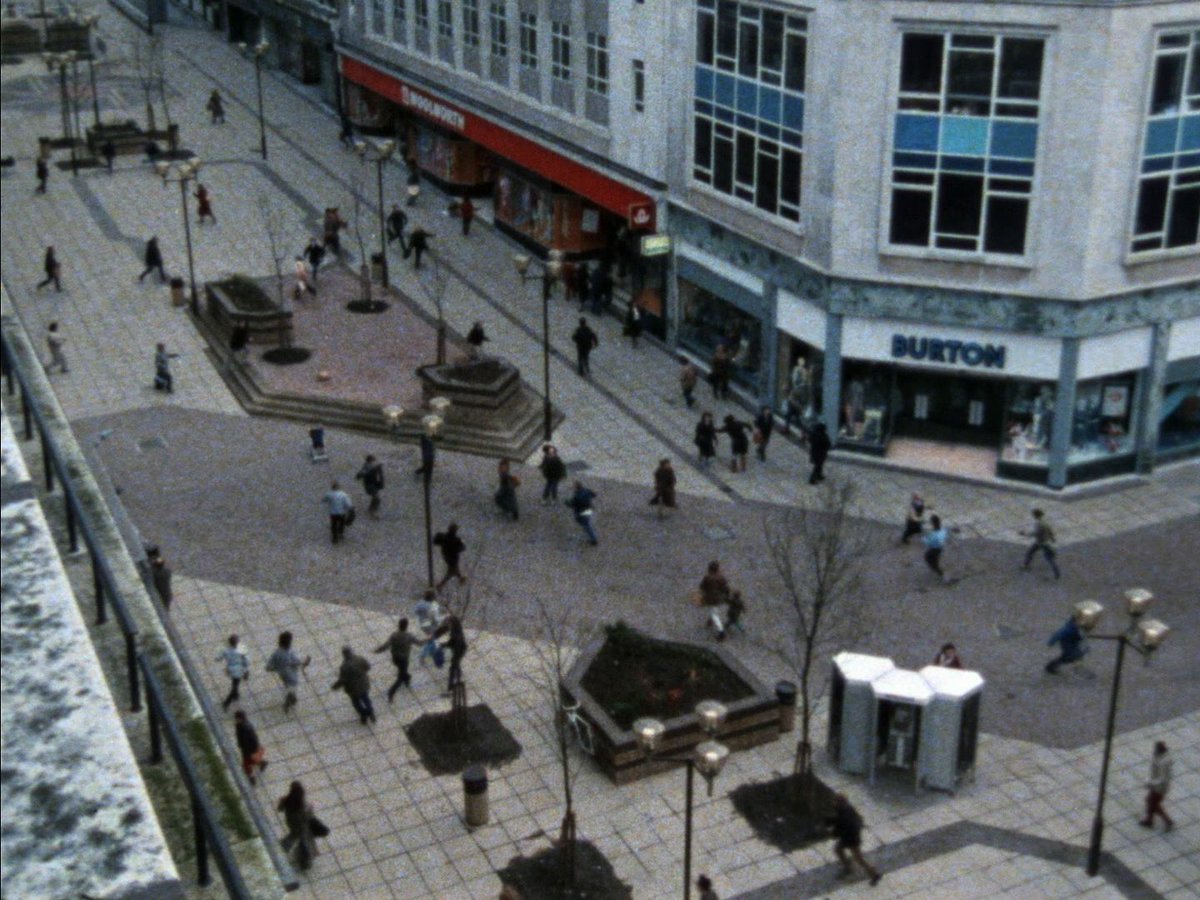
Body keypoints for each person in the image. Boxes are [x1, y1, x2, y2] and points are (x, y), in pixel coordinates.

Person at [826, 793, 882, 886]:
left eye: (835, 802)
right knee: (838, 850)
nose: (833, 803)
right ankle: (847, 866)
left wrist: (830, 832)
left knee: (859, 858)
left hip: (851, 839)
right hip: (851, 837)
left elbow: (838, 828)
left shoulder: (843, 816)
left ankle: (874, 874)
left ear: (839, 803)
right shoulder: (848, 809)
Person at [375, 618, 420, 702]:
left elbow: (385, 646)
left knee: (403, 671)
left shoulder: (394, 635)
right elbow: (420, 643)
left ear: (399, 625)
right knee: (400, 678)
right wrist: (429, 638)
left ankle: (407, 679)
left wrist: (377, 650)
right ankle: (391, 692)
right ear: (407, 626)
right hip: (404, 659)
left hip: (395, 658)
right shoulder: (409, 636)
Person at [265, 631, 310, 713]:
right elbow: (296, 661)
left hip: (283, 674)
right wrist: (304, 662)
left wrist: (277, 668)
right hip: (292, 676)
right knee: (292, 688)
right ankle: (288, 702)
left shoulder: (276, 653)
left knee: (288, 686)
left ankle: (292, 698)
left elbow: (268, 667)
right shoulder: (290, 652)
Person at [278, 781, 318, 871]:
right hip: (301, 825)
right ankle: (305, 861)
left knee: (293, 835)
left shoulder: (285, 800)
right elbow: (308, 816)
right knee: (304, 841)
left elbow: (279, 809)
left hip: (290, 822)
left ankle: (282, 847)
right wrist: (310, 808)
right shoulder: (303, 807)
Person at [331, 646, 375, 725]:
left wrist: (335, 686)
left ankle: (364, 714)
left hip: (353, 689)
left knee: (356, 704)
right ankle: (370, 712)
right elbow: (368, 667)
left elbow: (343, 680)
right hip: (363, 684)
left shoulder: (344, 667)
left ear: (344, 655)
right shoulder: (360, 659)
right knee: (366, 699)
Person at [1140, 741, 1174, 831]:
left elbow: (1163, 778)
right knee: (1151, 802)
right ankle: (1149, 820)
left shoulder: (1165, 762)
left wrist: (1151, 783)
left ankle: (1167, 821)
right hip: (1155, 784)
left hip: (1160, 787)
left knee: (1153, 803)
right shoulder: (1157, 756)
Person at [1021, 508, 1061, 579]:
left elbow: (1036, 533)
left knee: (1049, 558)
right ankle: (1026, 565)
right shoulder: (1045, 523)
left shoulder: (1038, 524)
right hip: (1043, 542)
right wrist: (1052, 539)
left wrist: (1025, 534)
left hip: (1041, 543)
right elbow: (1050, 531)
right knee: (1030, 552)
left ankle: (1057, 573)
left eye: (1034, 515)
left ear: (1035, 515)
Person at [435, 613, 468, 690]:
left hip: (458, 650)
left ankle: (451, 685)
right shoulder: (456, 630)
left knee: (453, 667)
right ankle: (458, 677)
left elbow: (451, 643)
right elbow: (451, 642)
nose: (448, 625)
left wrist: (442, 645)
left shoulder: (455, 634)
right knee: (456, 665)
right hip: (459, 649)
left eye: (449, 623)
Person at [234, 711, 267, 783]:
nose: (235, 720)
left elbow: (252, 740)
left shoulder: (245, 728)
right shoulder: (240, 725)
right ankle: (262, 763)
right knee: (251, 761)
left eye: (236, 718)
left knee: (246, 764)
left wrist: (252, 750)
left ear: (240, 719)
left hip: (248, 749)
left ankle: (251, 778)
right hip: (246, 748)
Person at [218, 634, 250, 709]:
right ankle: (227, 702)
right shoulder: (241, 649)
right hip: (238, 670)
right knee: (235, 684)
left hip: (231, 669)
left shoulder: (226, 650)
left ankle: (236, 694)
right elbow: (246, 661)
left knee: (235, 683)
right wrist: (246, 671)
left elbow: (218, 658)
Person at [433, 523, 467, 591]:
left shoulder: (444, 537)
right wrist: (458, 549)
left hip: (446, 557)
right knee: (452, 571)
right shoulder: (456, 539)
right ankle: (440, 585)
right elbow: (463, 547)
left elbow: (436, 542)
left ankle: (460, 578)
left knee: (453, 570)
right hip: (454, 558)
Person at [414, 589, 444, 665]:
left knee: (432, 639)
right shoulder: (434, 605)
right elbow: (435, 618)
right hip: (430, 625)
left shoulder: (420, 603)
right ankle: (422, 656)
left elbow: (416, 612)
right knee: (431, 640)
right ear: (433, 597)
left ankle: (431, 652)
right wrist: (441, 621)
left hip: (421, 624)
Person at [566, 481, 599, 546]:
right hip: (589, 509)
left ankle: (594, 539)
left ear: (576, 488)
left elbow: (572, 504)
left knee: (584, 524)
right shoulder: (587, 490)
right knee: (585, 521)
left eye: (574, 487)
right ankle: (587, 529)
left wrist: (566, 502)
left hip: (581, 512)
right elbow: (594, 495)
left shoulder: (577, 496)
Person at [923, 514, 949, 583]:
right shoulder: (942, 531)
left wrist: (925, 538)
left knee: (928, 558)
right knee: (935, 559)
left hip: (933, 549)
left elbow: (927, 542)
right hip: (939, 549)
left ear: (933, 523)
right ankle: (940, 572)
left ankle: (942, 574)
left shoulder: (933, 534)